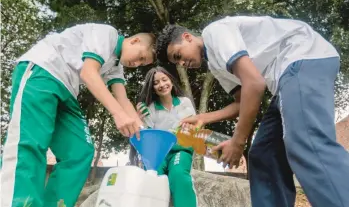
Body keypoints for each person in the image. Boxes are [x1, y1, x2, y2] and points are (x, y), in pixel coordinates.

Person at [155, 16, 349, 207]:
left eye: (178, 55)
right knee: (263, 155)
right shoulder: (216, 65)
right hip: (283, 82)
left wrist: (237, 143)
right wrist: (203, 118)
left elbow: (254, 84)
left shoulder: (214, 32)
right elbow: (241, 103)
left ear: (188, 37)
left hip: (303, 57)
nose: (181, 63)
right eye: (176, 63)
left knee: (305, 141)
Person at [1, 23, 156, 207]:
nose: (136, 64)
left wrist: (144, 132)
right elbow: (89, 73)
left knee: (80, 152)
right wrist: (118, 114)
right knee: (30, 142)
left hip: (67, 90)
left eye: (142, 64)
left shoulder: (116, 66)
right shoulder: (108, 34)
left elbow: (123, 99)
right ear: (135, 40)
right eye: (140, 57)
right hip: (43, 71)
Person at [136, 66, 197, 207]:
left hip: (180, 150)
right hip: (158, 154)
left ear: (171, 80)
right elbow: (146, 137)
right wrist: (138, 119)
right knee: (152, 175)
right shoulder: (150, 109)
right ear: (152, 88)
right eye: (156, 83)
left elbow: (193, 128)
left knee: (178, 174)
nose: (162, 85)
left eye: (164, 79)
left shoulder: (184, 102)